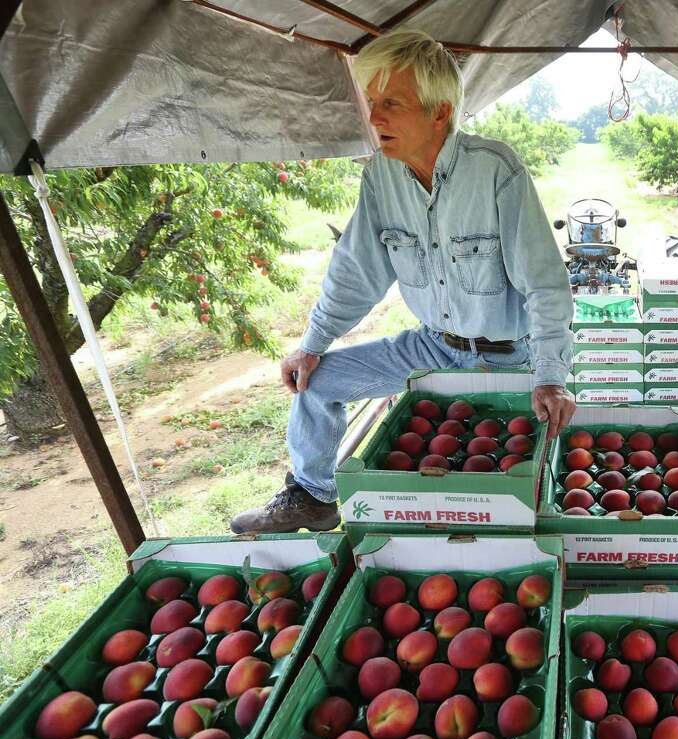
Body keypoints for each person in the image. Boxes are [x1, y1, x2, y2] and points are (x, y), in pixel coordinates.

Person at [231, 28, 575, 534]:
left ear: (439, 112)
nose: (373, 118)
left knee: (508, 473)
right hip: (432, 348)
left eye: (391, 102)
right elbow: (356, 271)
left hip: (510, 355)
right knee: (316, 381)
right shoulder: (381, 177)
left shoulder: (495, 170)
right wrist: (311, 345)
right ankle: (313, 495)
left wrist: (550, 375)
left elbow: (544, 286)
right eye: (371, 101)